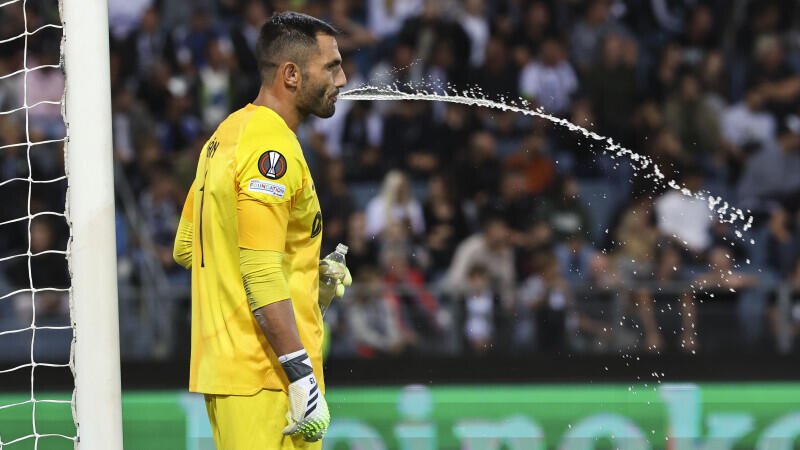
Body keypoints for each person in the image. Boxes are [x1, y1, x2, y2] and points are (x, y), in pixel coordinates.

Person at [172, 12, 348, 448]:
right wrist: (301, 378)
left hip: (233, 374)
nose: (342, 79)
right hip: (268, 379)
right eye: (331, 66)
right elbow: (260, 272)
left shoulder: (226, 135)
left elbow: (188, 247)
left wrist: (305, 276)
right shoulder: (272, 147)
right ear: (291, 74)